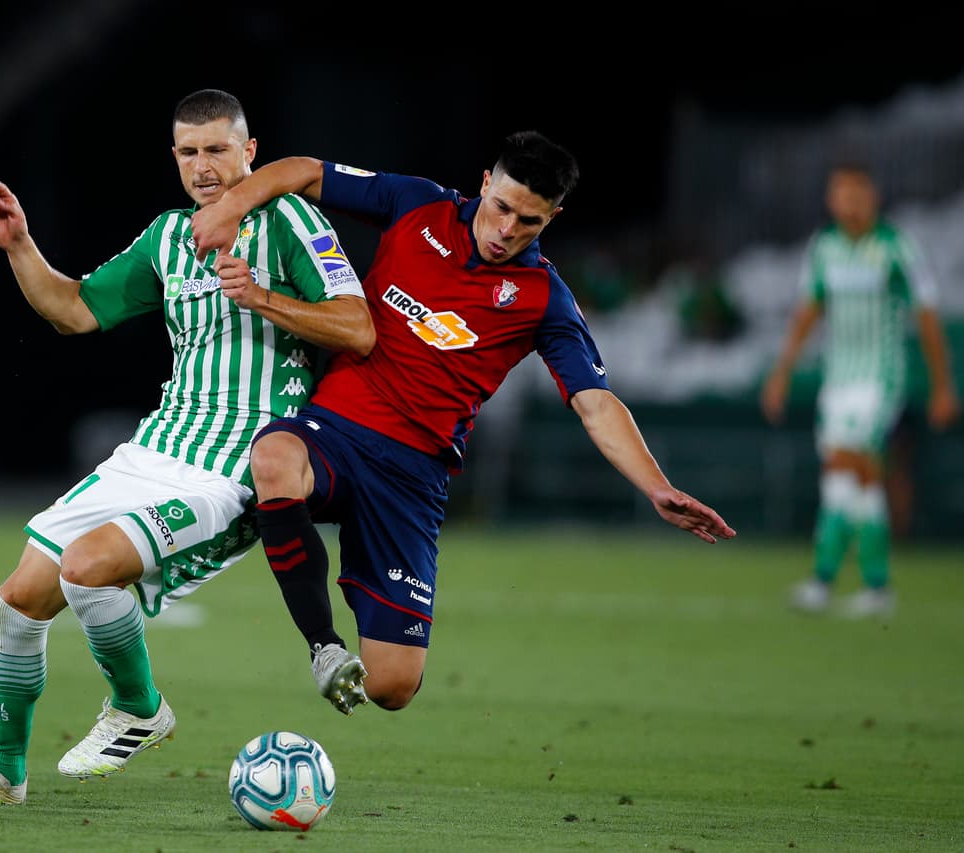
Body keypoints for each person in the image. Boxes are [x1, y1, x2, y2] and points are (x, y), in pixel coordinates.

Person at [190, 131, 737, 716]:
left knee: (391, 687)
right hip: (339, 433)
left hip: (413, 477)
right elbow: (303, 169)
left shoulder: (542, 297)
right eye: (501, 207)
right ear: (485, 183)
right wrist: (229, 207)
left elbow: (595, 402)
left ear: (553, 217)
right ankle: (323, 645)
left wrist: (656, 486)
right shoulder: (419, 204)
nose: (506, 230)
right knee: (274, 458)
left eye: (529, 221)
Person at [0, 89, 372, 804]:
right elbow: (74, 309)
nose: (204, 166)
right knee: (18, 601)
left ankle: (138, 706)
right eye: (190, 152)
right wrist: (19, 247)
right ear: (175, 158)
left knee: (87, 568)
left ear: (249, 153)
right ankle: (3, 774)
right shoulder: (170, 237)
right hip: (156, 449)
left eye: (218, 149)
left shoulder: (291, 220)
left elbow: (358, 328)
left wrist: (262, 297)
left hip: (238, 465)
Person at [760, 161, 959, 619]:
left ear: (873, 197)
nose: (847, 201)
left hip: (879, 378)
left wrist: (942, 385)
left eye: (856, 193)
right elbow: (810, 309)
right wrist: (782, 370)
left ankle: (824, 579)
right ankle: (873, 587)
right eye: (839, 193)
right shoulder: (824, 247)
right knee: (857, 480)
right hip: (838, 378)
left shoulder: (895, 248)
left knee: (844, 465)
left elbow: (927, 318)